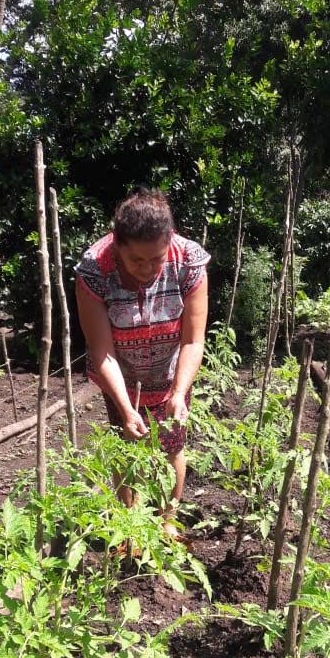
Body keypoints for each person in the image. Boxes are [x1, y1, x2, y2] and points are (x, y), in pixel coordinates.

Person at [75, 188, 209, 518]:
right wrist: (126, 408)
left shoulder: (189, 261)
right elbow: (102, 351)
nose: (148, 268)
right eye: (137, 260)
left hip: (170, 373)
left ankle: (167, 521)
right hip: (120, 373)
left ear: (170, 242)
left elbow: (193, 341)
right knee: (125, 446)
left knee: (172, 446)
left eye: (157, 259)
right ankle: (129, 524)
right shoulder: (95, 270)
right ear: (118, 245)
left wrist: (179, 394)